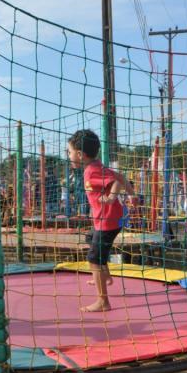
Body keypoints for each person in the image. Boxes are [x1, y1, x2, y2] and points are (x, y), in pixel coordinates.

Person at [67, 129, 136, 312]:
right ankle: (104, 276)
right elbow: (119, 177)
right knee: (92, 241)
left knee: (93, 257)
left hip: (107, 221)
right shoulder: (98, 166)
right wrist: (132, 195)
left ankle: (103, 301)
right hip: (108, 220)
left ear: (80, 155)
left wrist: (112, 197)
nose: (69, 156)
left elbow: (116, 183)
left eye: (69, 152)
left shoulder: (91, 171)